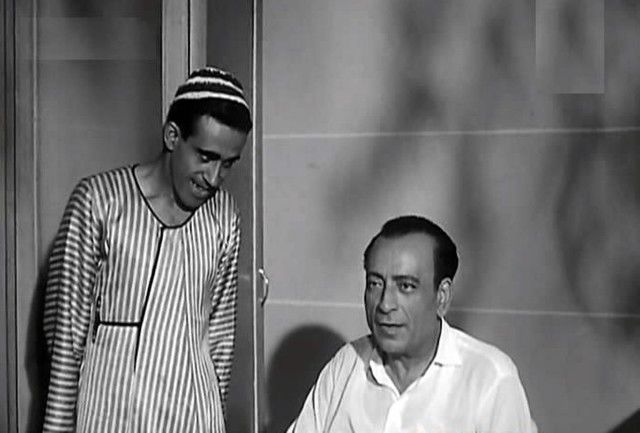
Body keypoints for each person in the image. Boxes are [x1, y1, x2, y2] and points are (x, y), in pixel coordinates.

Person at [42, 66, 252, 433]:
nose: (214, 178)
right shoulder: (99, 201)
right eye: (205, 157)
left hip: (194, 416)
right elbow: (65, 341)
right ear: (172, 136)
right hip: (112, 415)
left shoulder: (224, 216)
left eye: (228, 164)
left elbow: (219, 340)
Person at [287, 215, 538, 433]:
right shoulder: (346, 366)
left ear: (442, 297)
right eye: (375, 283)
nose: (385, 304)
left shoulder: (491, 379)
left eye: (405, 286)